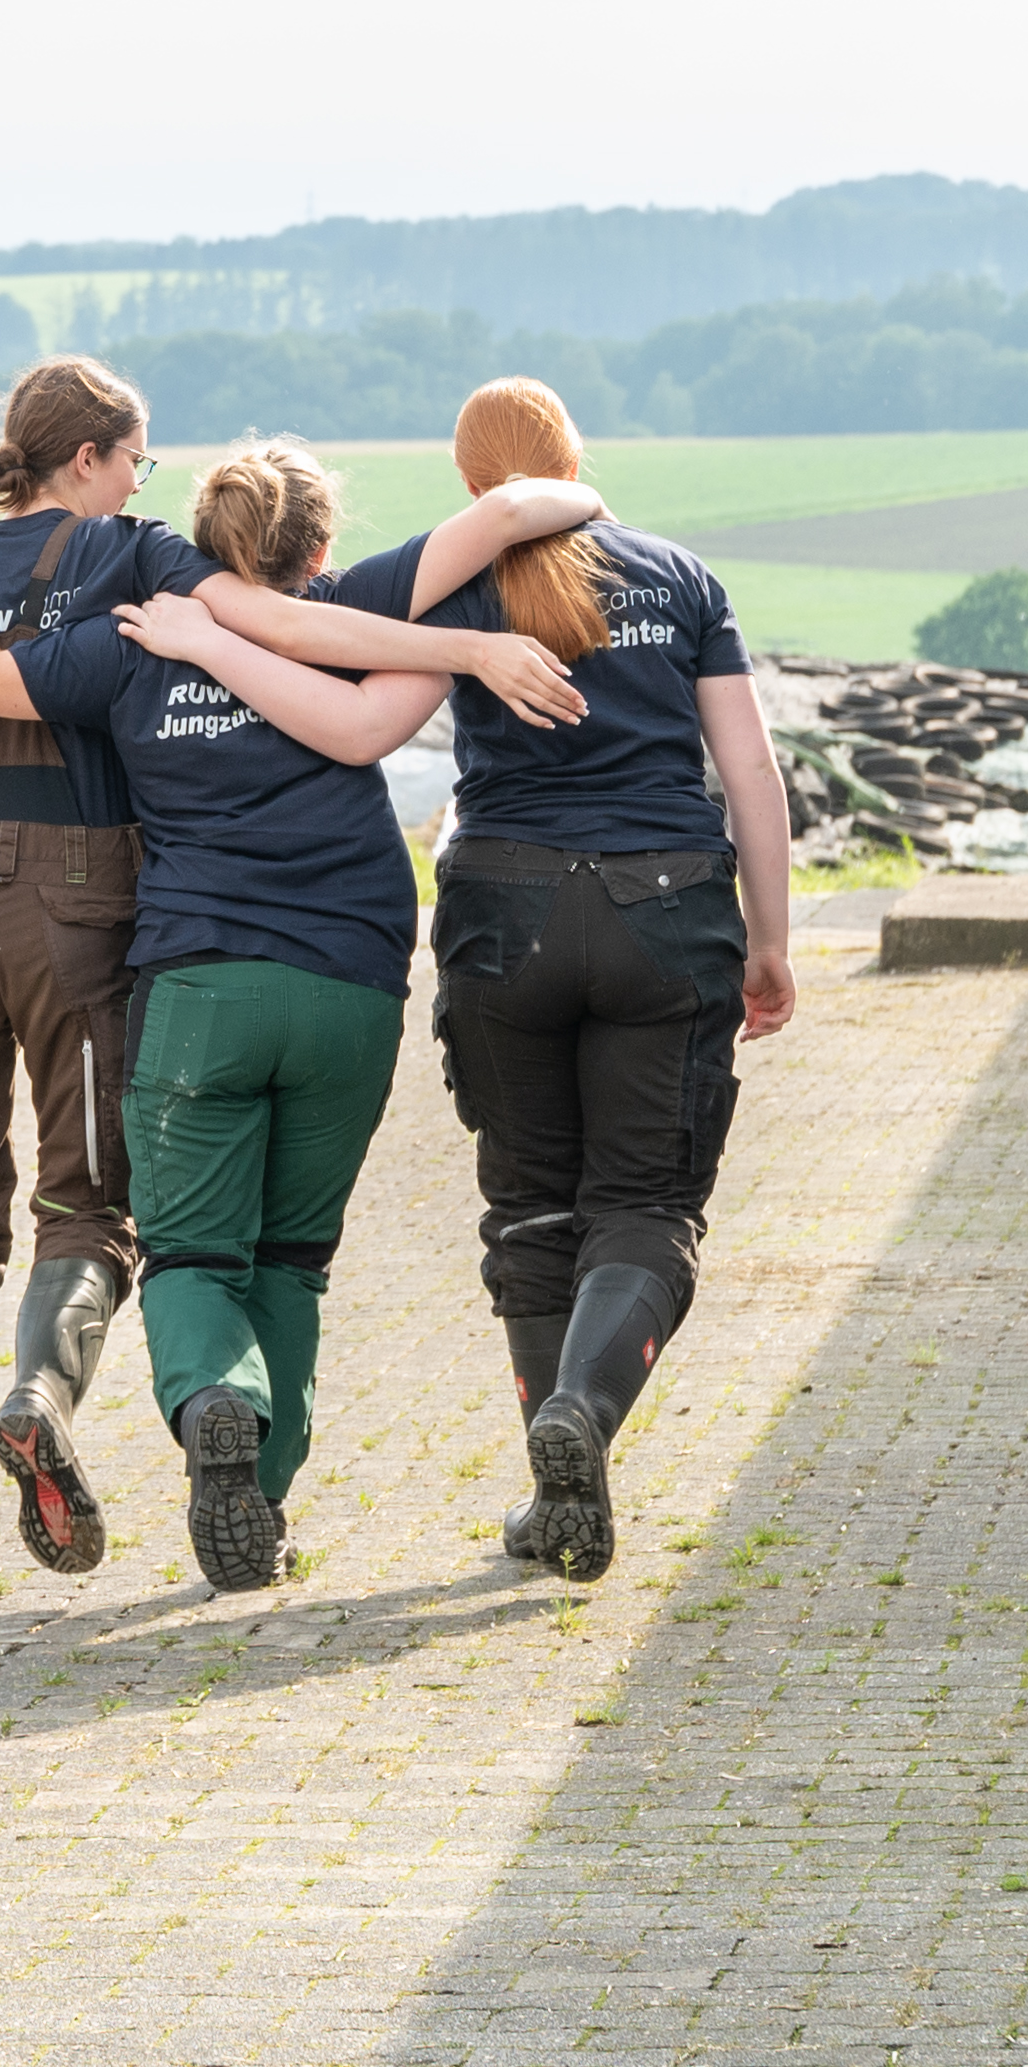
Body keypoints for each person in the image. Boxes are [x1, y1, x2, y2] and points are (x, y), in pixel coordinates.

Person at [0, 438, 606, 1589]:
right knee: (290, 1256)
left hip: (198, 987)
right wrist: (583, 489)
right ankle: (257, 1502)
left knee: (188, 1255)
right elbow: (521, 505)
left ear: (205, 542)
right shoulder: (355, 606)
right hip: (349, 984)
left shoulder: (129, 639)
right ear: (317, 548)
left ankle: (214, 1403)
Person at [127, 379, 795, 1586]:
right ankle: (581, 1421)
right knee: (643, 1204)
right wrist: (770, 938)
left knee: (533, 1211)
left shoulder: (456, 582)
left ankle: (554, 1488)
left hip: (503, 916)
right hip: (665, 909)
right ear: (571, 457)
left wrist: (202, 647)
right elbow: (748, 771)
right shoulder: (681, 578)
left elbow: (341, 689)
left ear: (464, 476)